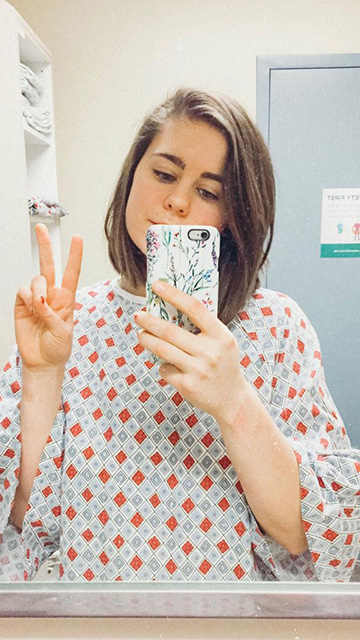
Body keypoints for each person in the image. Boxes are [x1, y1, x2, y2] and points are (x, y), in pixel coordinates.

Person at [1, 88, 360, 583]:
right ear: (133, 175)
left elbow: (316, 534)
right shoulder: (68, 322)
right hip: (91, 623)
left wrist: (235, 403)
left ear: (236, 217)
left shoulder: (279, 328)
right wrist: (42, 374)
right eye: (165, 174)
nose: (176, 200)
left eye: (209, 192)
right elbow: (26, 522)